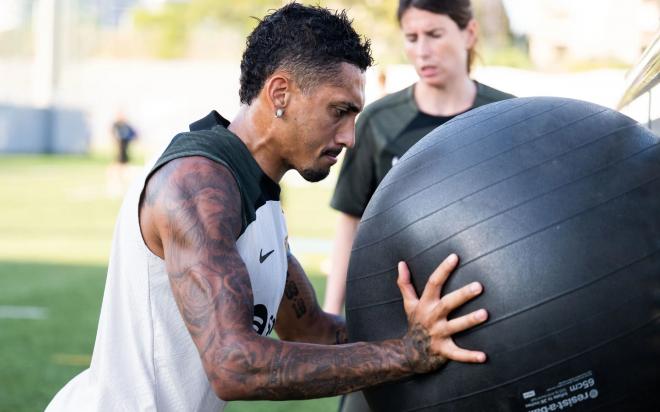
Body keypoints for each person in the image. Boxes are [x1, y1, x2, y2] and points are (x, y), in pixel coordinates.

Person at [46, 4, 489, 412]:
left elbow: (310, 330)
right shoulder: (196, 184)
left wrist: (429, 333)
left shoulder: (257, 191)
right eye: (339, 111)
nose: (350, 137)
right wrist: (405, 354)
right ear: (280, 93)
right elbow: (234, 365)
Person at [325, 0, 514, 315]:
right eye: (412, 38)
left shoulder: (508, 116)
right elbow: (351, 222)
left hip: (492, 305)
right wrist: (330, 314)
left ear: (469, 33)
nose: (423, 50)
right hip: (397, 311)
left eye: (435, 34)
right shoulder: (378, 122)